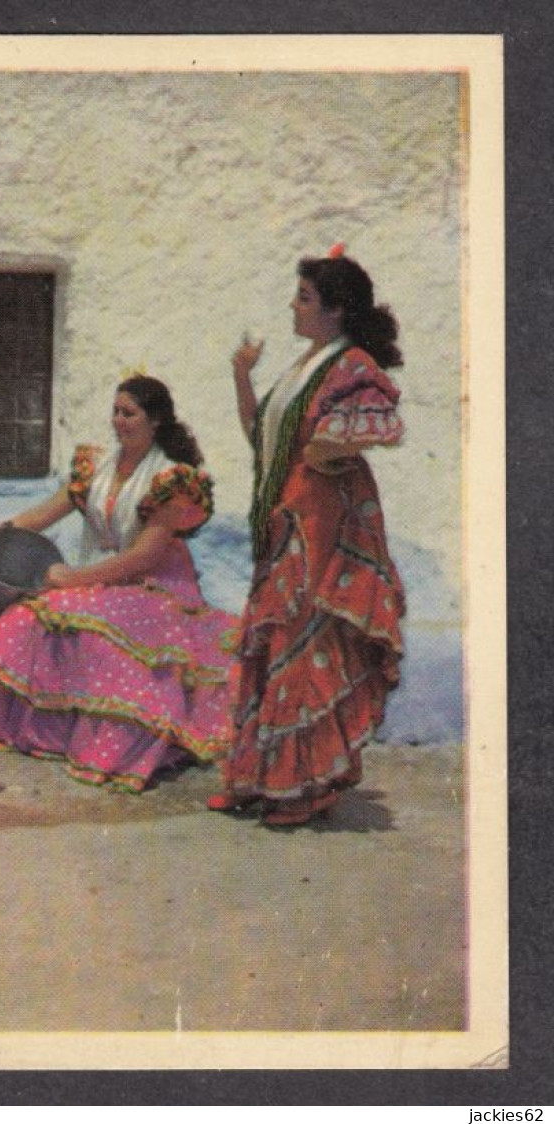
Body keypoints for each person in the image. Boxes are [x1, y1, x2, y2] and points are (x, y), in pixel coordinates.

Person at [208, 247, 405, 827]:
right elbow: (260, 437)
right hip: (285, 517)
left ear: (336, 310)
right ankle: (261, 777)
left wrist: (327, 449)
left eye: (305, 298)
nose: (294, 307)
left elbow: (378, 427)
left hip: (322, 523)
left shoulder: (351, 365)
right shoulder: (305, 368)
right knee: (272, 639)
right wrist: (242, 376)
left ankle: (303, 786)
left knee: (301, 633)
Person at [0, 375, 239, 793]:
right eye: (115, 412)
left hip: (153, 586)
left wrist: (73, 580)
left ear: (156, 422)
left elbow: (144, 558)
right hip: (96, 583)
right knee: (22, 618)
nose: (119, 421)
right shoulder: (95, 468)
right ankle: (43, 735)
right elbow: (42, 515)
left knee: (94, 634)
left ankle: (113, 747)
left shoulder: (171, 480)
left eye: (129, 413)